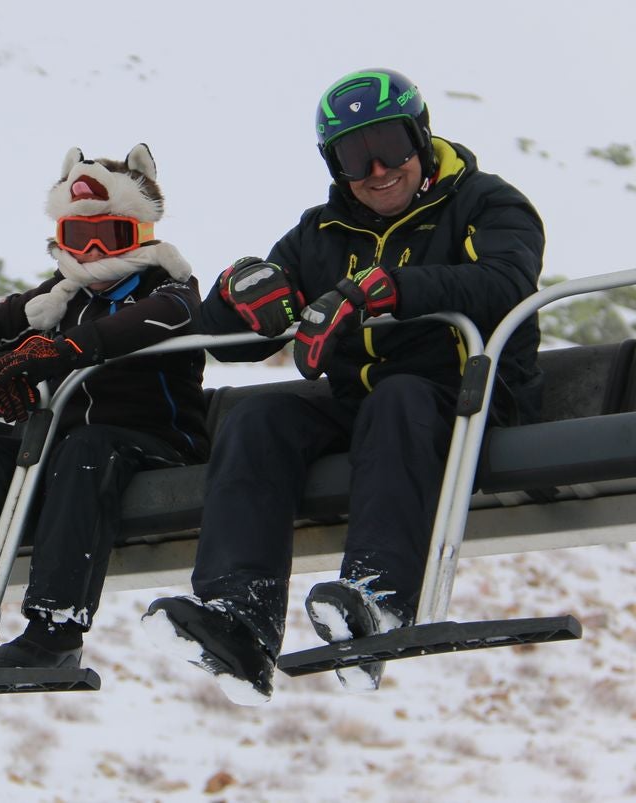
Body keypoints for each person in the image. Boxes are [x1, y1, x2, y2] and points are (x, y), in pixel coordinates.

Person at [142, 68, 545, 703]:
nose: (378, 169)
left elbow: (508, 281)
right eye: (355, 155)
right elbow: (241, 343)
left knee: (401, 397)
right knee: (260, 418)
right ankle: (239, 614)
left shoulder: (485, 202)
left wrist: (393, 288)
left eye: (391, 145)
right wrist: (237, 291)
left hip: (464, 400)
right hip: (362, 406)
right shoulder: (321, 232)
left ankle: (377, 599)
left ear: (421, 137)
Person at [0, 143, 209, 674]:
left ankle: (55, 630)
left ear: (139, 233)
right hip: (59, 452)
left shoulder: (172, 292)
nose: (90, 253)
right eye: (75, 238)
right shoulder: (52, 300)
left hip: (151, 443)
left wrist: (59, 352)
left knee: (87, 448)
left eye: (108, 236)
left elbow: (139, 325)